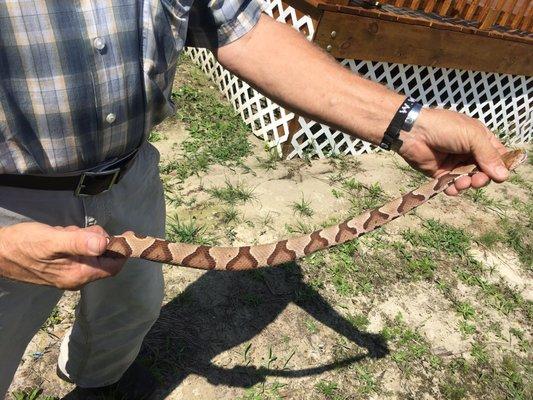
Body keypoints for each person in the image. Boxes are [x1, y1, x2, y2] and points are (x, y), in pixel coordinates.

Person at [0, 0, 510, 398]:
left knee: (130, 311)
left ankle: (94, 382)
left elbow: (243, 30)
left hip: (129, 176)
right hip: (11, 203)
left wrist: (406, 124)